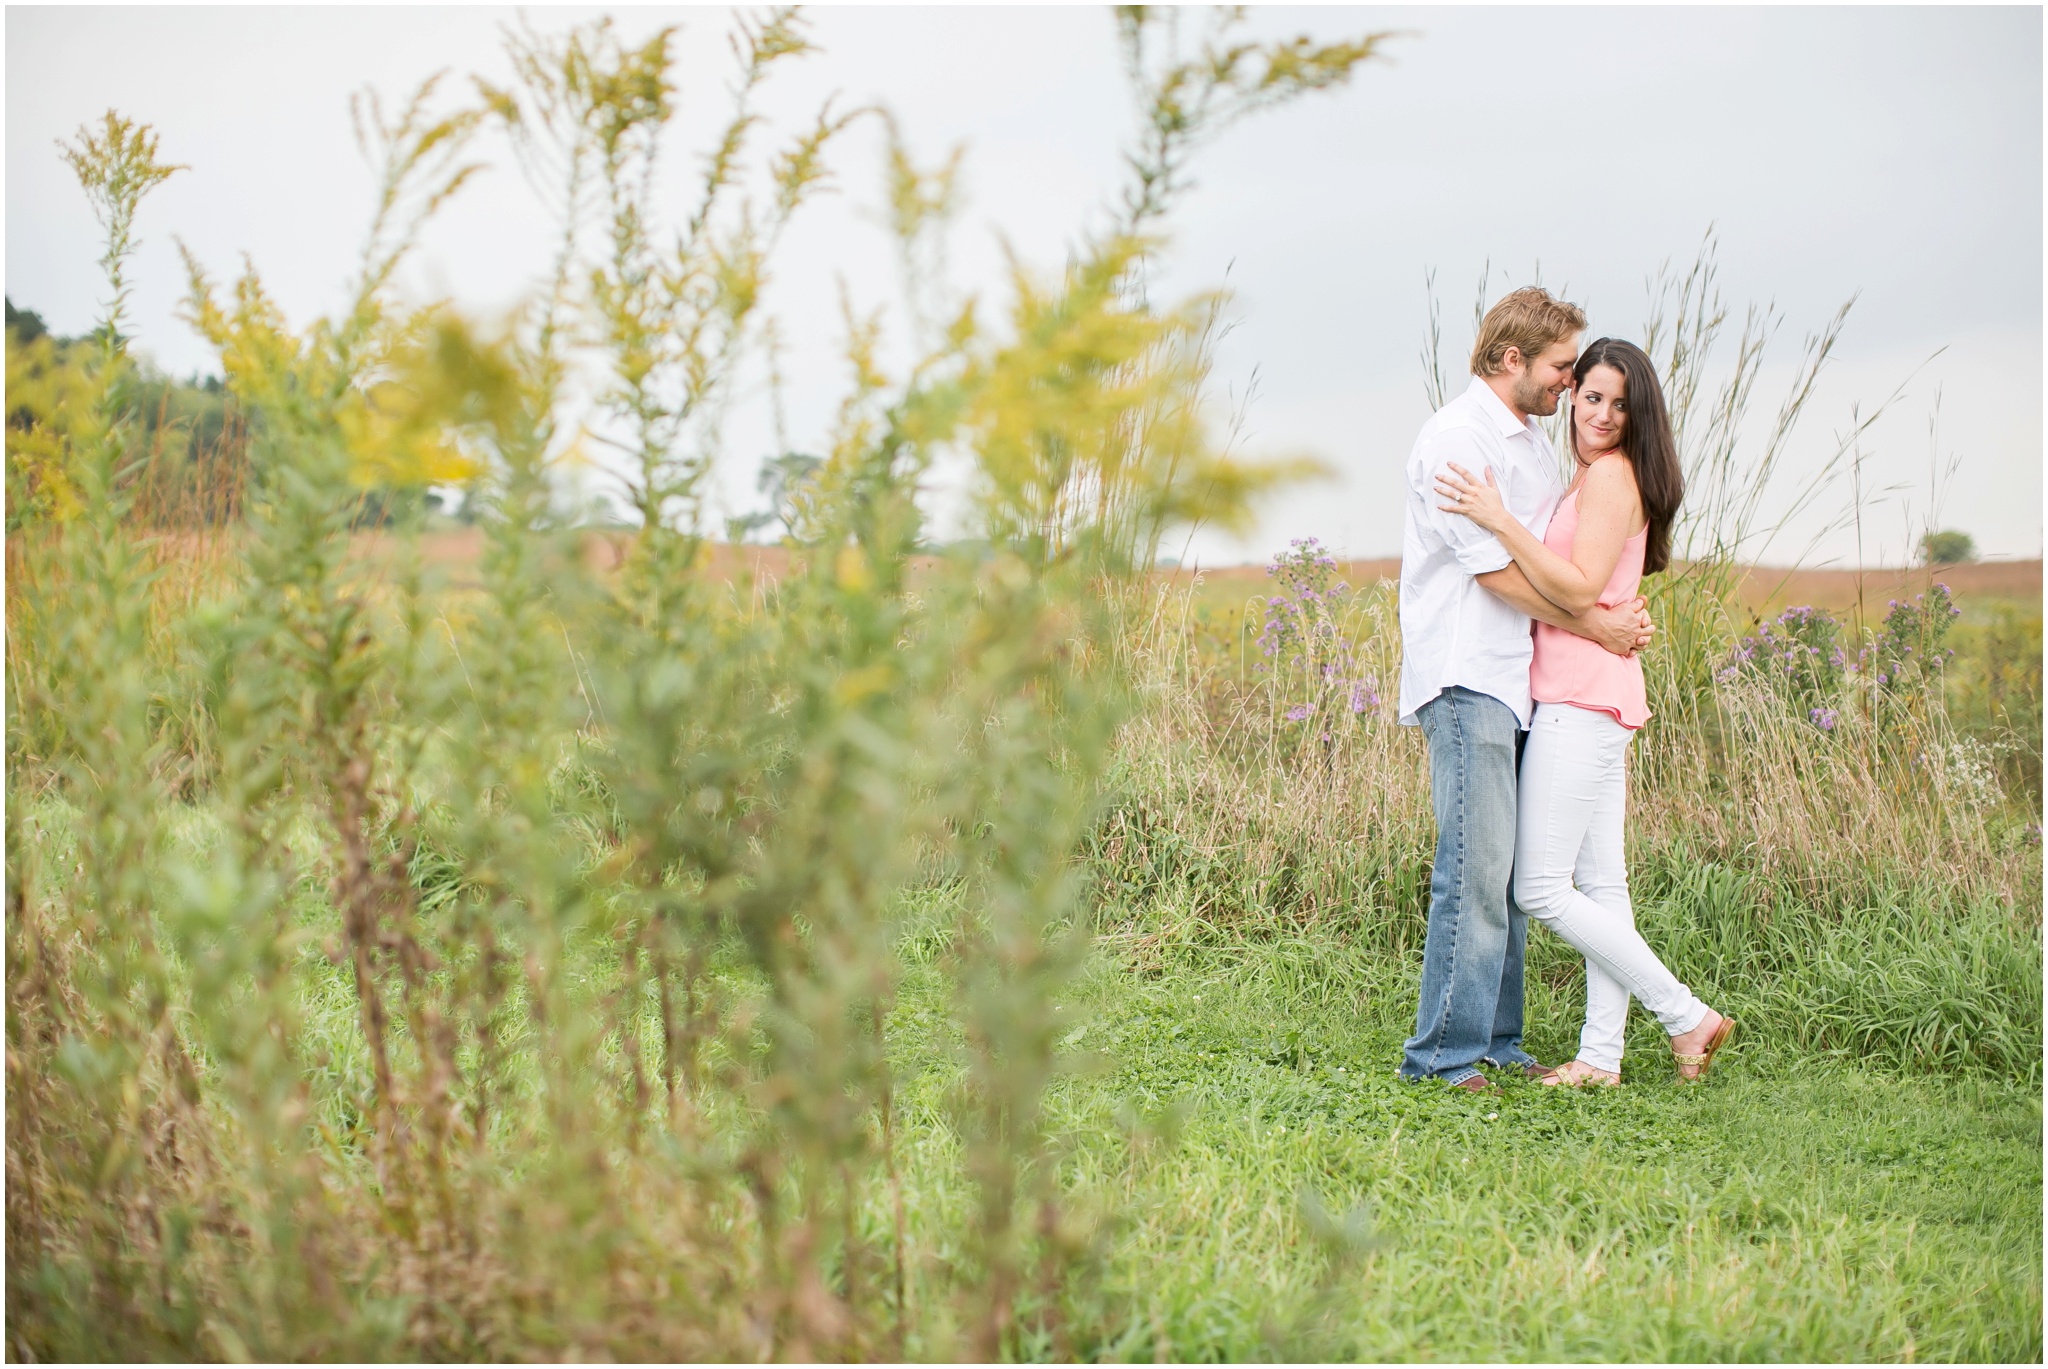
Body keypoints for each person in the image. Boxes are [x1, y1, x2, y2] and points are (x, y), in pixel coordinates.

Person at [1435, 336, 1736, 1086]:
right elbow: (1588, 592)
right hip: (1596, 692)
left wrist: (1499, 520)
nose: (1599, 413)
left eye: (1618, 403)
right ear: (1573, 395)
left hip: (1578, 696)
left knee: (1540, 886)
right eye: (1591, 395)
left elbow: (1576, 587)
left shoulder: (1611, 478)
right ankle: (1602, 1056)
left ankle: (1685, 1013)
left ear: (1639, 416)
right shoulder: (1596, 477)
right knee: (1604, 888)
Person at [1396, 289, 1656, 1095]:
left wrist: (1591, 613)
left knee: (1505, 870)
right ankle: (1443, 1054)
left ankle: (1498, 1040)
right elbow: (1503, 576)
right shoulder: (1456, 441)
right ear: (1513, 360)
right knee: (1473, 869)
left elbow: (1561, 557)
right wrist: (1598, 626)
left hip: (1520, 683)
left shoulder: (1536, 447)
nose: (1569, 382)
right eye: (1560, 365)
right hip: (1467, 671)